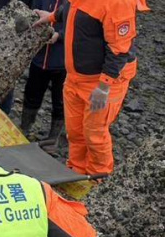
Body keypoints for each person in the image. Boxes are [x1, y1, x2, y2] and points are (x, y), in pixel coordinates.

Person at [33, 0, 148, 176]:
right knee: (75, 131)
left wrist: (104, 86)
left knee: (95, 135)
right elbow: (74, 7)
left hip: (103, 81)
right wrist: (51, 17)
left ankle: (97, 178)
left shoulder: (118, 3)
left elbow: (119, 49)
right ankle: (76, 172)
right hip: (76, 77)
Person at [21, 0, 66, 144]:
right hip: (39, 57)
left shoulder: (77, 3)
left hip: (63, 62)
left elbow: (80, 28)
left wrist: (60, 35)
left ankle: (53, 139)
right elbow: (31, 12)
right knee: (31, 94)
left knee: (60, 101)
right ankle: (24, 129)